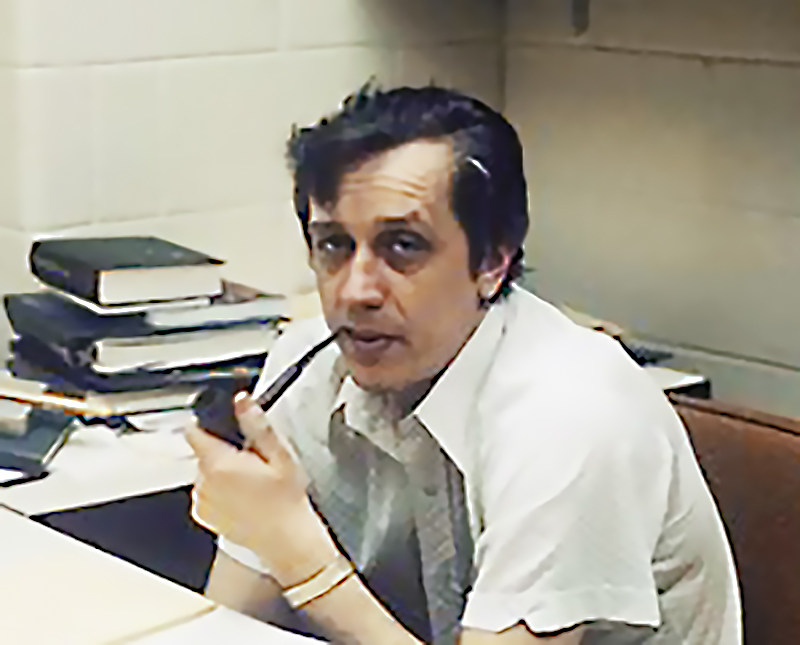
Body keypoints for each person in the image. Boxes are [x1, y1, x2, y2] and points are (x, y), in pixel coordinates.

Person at [186, 84, 741, 645]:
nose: (355, 292)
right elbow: (229, 627)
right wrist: (268, 534)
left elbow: (292, 557)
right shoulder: (311, 362)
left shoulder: (571, 413)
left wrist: (303, 561)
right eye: (333, 245)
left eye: (402, 245)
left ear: (493, 261)